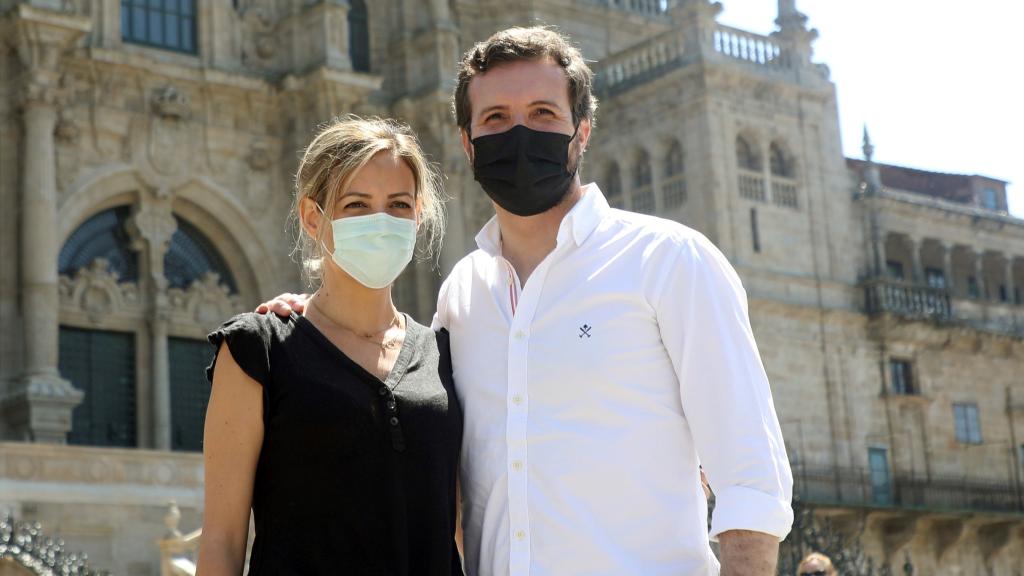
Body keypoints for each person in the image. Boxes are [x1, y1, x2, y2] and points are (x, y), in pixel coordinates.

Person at [260, 27, 793, 575]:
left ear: (581, 131)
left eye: (542, 113)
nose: (519, 133)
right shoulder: (462, 294)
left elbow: (751, 479)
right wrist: (318, 321)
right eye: (495, 118)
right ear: (467, 143)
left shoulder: (670, 261)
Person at [197, 117, 463, 575]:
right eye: (357, 204)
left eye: (398, 204)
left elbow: (459, 525)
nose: (381, 222)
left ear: (418, 215)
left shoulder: (446, 355)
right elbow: (222, 541)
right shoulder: (258, 350)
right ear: (313, 217)